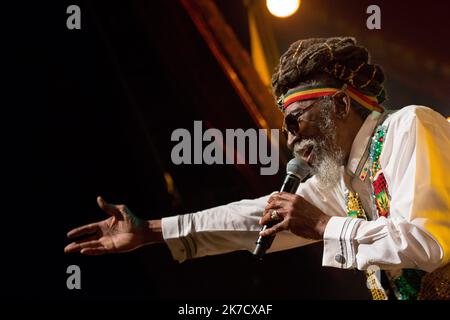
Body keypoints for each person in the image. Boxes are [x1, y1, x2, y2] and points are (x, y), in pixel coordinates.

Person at [64, 37, 450, 300]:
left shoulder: (409, 126)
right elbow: (253, 217)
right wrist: (150, 232)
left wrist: (321, 225)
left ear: (342, 106)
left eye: (296, 119)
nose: (290, 139)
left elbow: (429, 244)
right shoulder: (344, 181)